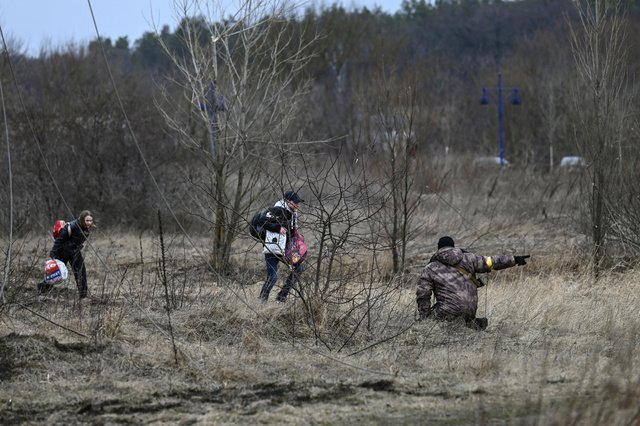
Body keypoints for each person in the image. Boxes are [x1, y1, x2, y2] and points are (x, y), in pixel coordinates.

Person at [416, 236, 529, 330]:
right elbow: (490, 262)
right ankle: (469, 323)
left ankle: (460, 325)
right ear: (453, 247)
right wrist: (514, 259)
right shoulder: (469, 258)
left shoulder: (430, 268)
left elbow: (423, 295)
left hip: (446, 312)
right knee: (461, 320)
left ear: (439, 248)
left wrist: (424, 317)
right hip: (470, 311)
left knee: (430, 323)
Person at [258, 191, 304, 303]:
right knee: (273, 277)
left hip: (288, 247)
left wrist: (297, 236)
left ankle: (282, 296)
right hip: (273, 248)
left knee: (298, 268)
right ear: (287, 201)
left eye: (298, 203)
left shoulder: (293, 213)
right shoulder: (277, 209)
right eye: (295, 202)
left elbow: (291, 231)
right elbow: (262, 221)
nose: (298, 205)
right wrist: (278, 228)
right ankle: (262, 301)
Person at [38, 210, 95, 299]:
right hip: (63, 252)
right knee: (55, 272)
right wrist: (53, 253)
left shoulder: (87, 229)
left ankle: (83, 295)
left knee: (81, 272)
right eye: (87, 220)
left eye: (90, 220)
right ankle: (42, 289)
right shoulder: (71, 226)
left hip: (75, 253)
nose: (89, 223)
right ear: (82, 219)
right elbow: (59, 240)